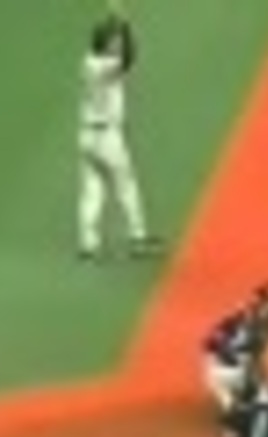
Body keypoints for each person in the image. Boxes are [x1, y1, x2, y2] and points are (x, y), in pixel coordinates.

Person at [78, 13, 161, 261]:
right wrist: (126, 29)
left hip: (86, 136)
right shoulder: (105, 66)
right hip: (107, 139)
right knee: (126, 185)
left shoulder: (88, 61)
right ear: (104, 43)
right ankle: (137, 237)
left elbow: (125, 65)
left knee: (92, 189)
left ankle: (88, 244)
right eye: (113, 41)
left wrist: (120, 30)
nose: (117, 44)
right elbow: (129, 59)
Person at [202, 281, 268, 410]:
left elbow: (208, 346)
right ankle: (244, 401)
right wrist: (266, 387)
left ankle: (232, 402)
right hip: (234, 373)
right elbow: (262, 361)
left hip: (216, 372)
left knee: (260, 385)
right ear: (267, 303)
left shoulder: (240, 315)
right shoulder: (261, 326)